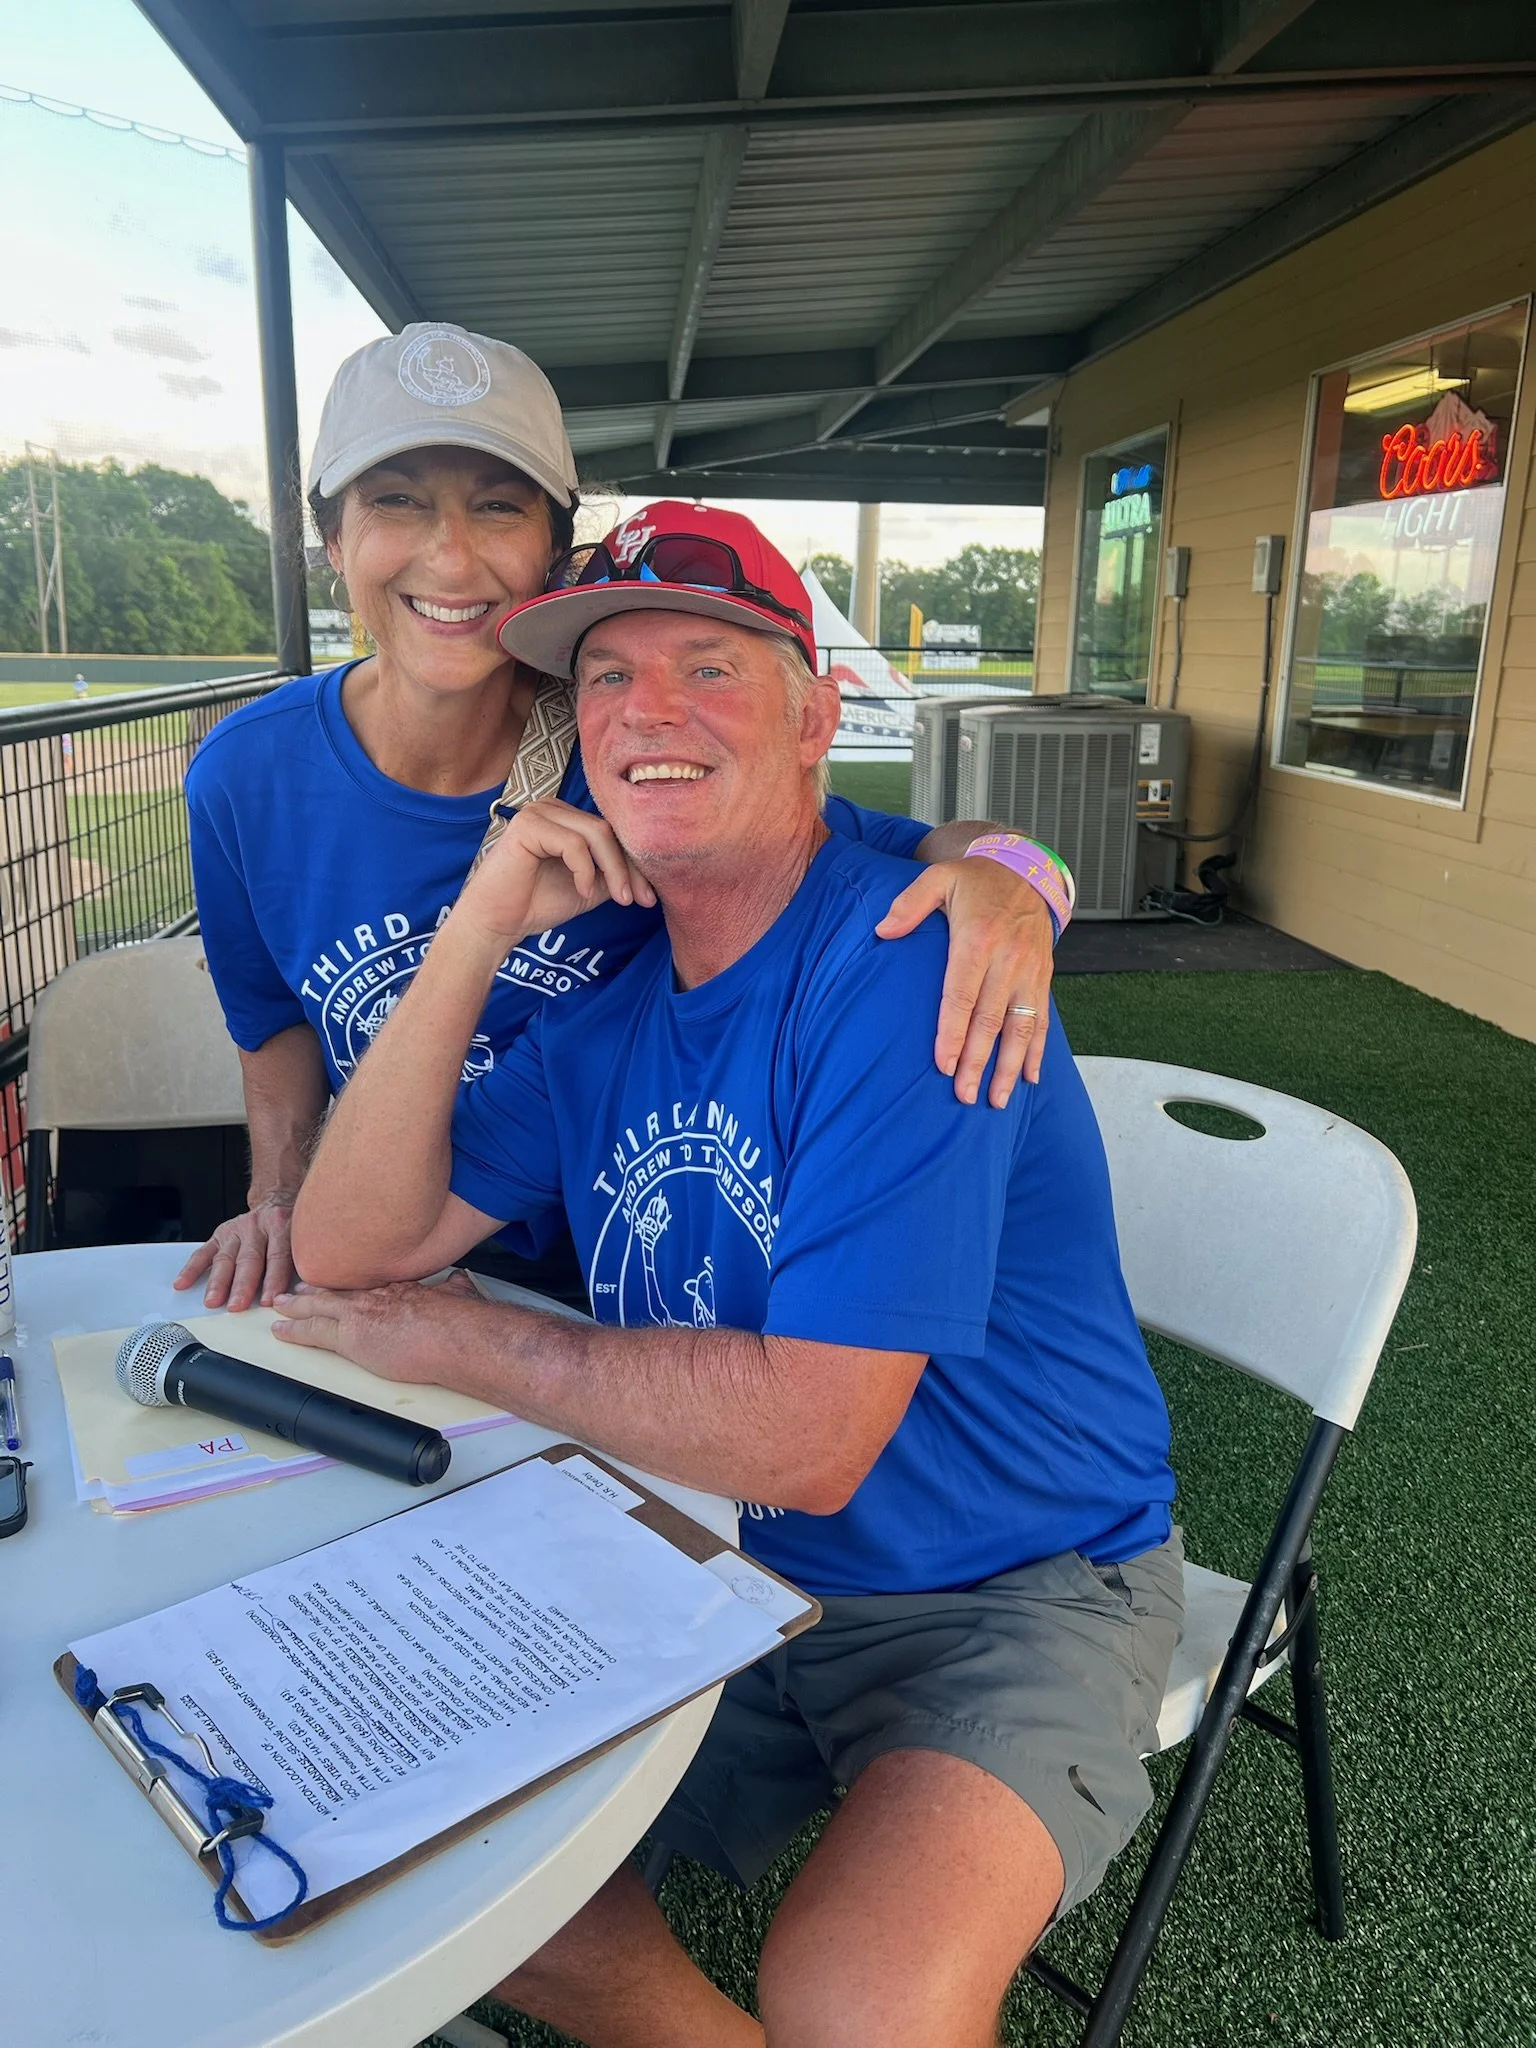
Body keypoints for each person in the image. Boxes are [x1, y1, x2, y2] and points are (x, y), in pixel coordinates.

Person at [276, 503, 1181, 2048]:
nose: (651, 712)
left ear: (820, 714)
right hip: (714, 1558)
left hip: (1004, 1585)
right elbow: (348, 1249)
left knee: (861, 2002)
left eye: (711, 665)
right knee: (395, 1823)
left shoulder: (913, 952)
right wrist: (480, 921)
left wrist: (464, 1343)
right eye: (609, 680)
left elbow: (807, 1442)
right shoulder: (615, 1003)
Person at [177, 322, 1061, 1316]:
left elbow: (881, 843)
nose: (452, 554)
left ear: (553, 549)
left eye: (498, 506)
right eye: (397, 501)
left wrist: (1023, 877)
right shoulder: (245, 777)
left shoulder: (632, 757)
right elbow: (275, 1034)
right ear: (332, 539)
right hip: (402, 1233)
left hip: (627, 1269)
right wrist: (280, 1203)